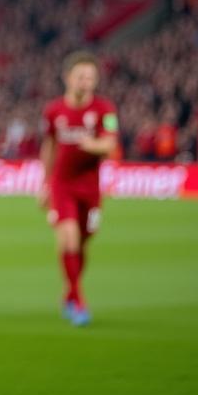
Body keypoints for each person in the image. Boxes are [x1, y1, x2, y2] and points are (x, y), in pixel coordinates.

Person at [39, 51, 119, 327]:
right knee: (70, 238)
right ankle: (79, 301)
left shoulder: (105, 109)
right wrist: (45, 184)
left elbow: (110, 143)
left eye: (91, 77)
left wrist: (91, 144)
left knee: (83, 242)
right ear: (68, 78)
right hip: (63, 184)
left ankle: (69, 294)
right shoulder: (54, 111)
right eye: (81, 76)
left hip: (90, 187)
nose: (86, 81)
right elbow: (49, 146)